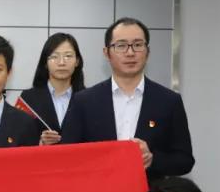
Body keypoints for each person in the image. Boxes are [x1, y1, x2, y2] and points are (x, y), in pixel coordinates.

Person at [61, 17, 193, 178]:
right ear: (106, 53)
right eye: (121, 45)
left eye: (138, 45)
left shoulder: (169, 101)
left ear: (148, 52)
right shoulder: (84, 101)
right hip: (98, 190)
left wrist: (153, 159)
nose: (130, 53)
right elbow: (66, 155)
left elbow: (185, 160)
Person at [18, 32, 85, 145]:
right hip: (41, 157)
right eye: (54, 57)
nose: (61, 62)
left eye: (68, 56)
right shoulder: (27, 99)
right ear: (45, 62)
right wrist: (40, 143)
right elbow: (18, 140)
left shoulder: (88, 99)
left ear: (77, 61)